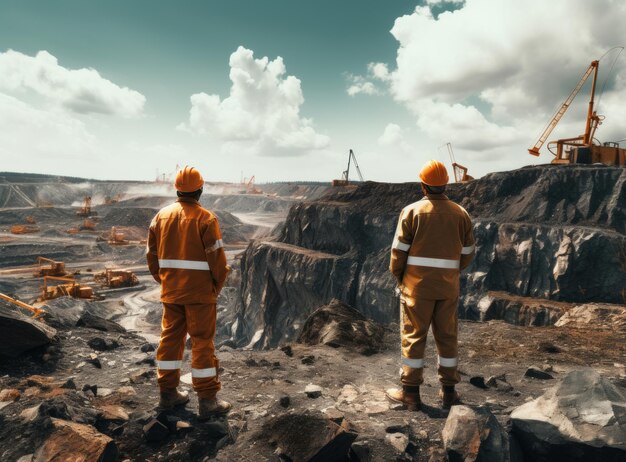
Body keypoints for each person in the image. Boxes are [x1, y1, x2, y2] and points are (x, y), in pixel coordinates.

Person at [386, 160, 475, 409]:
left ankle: (411, 395)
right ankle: (448, 393)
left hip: (417, 288)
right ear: (445, 184)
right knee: (447, 337)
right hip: (447, 288)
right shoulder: (461, 214)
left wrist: (400, 276)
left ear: (423, 185)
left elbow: (398, 252)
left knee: (414, 337)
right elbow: (467, 253)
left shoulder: (412, 212)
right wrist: (450, 273)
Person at [146, 165, 231, 418]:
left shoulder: (160, 217)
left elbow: (152, 257)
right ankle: (207, 402)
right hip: (200, 295)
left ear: (177, 190)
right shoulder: (206, 219)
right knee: (202, 343)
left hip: (172, 293)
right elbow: (218, 262)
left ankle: (168, 395)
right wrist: (215, 287)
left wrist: (166, 282)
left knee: (170, 341)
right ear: (200, 190)